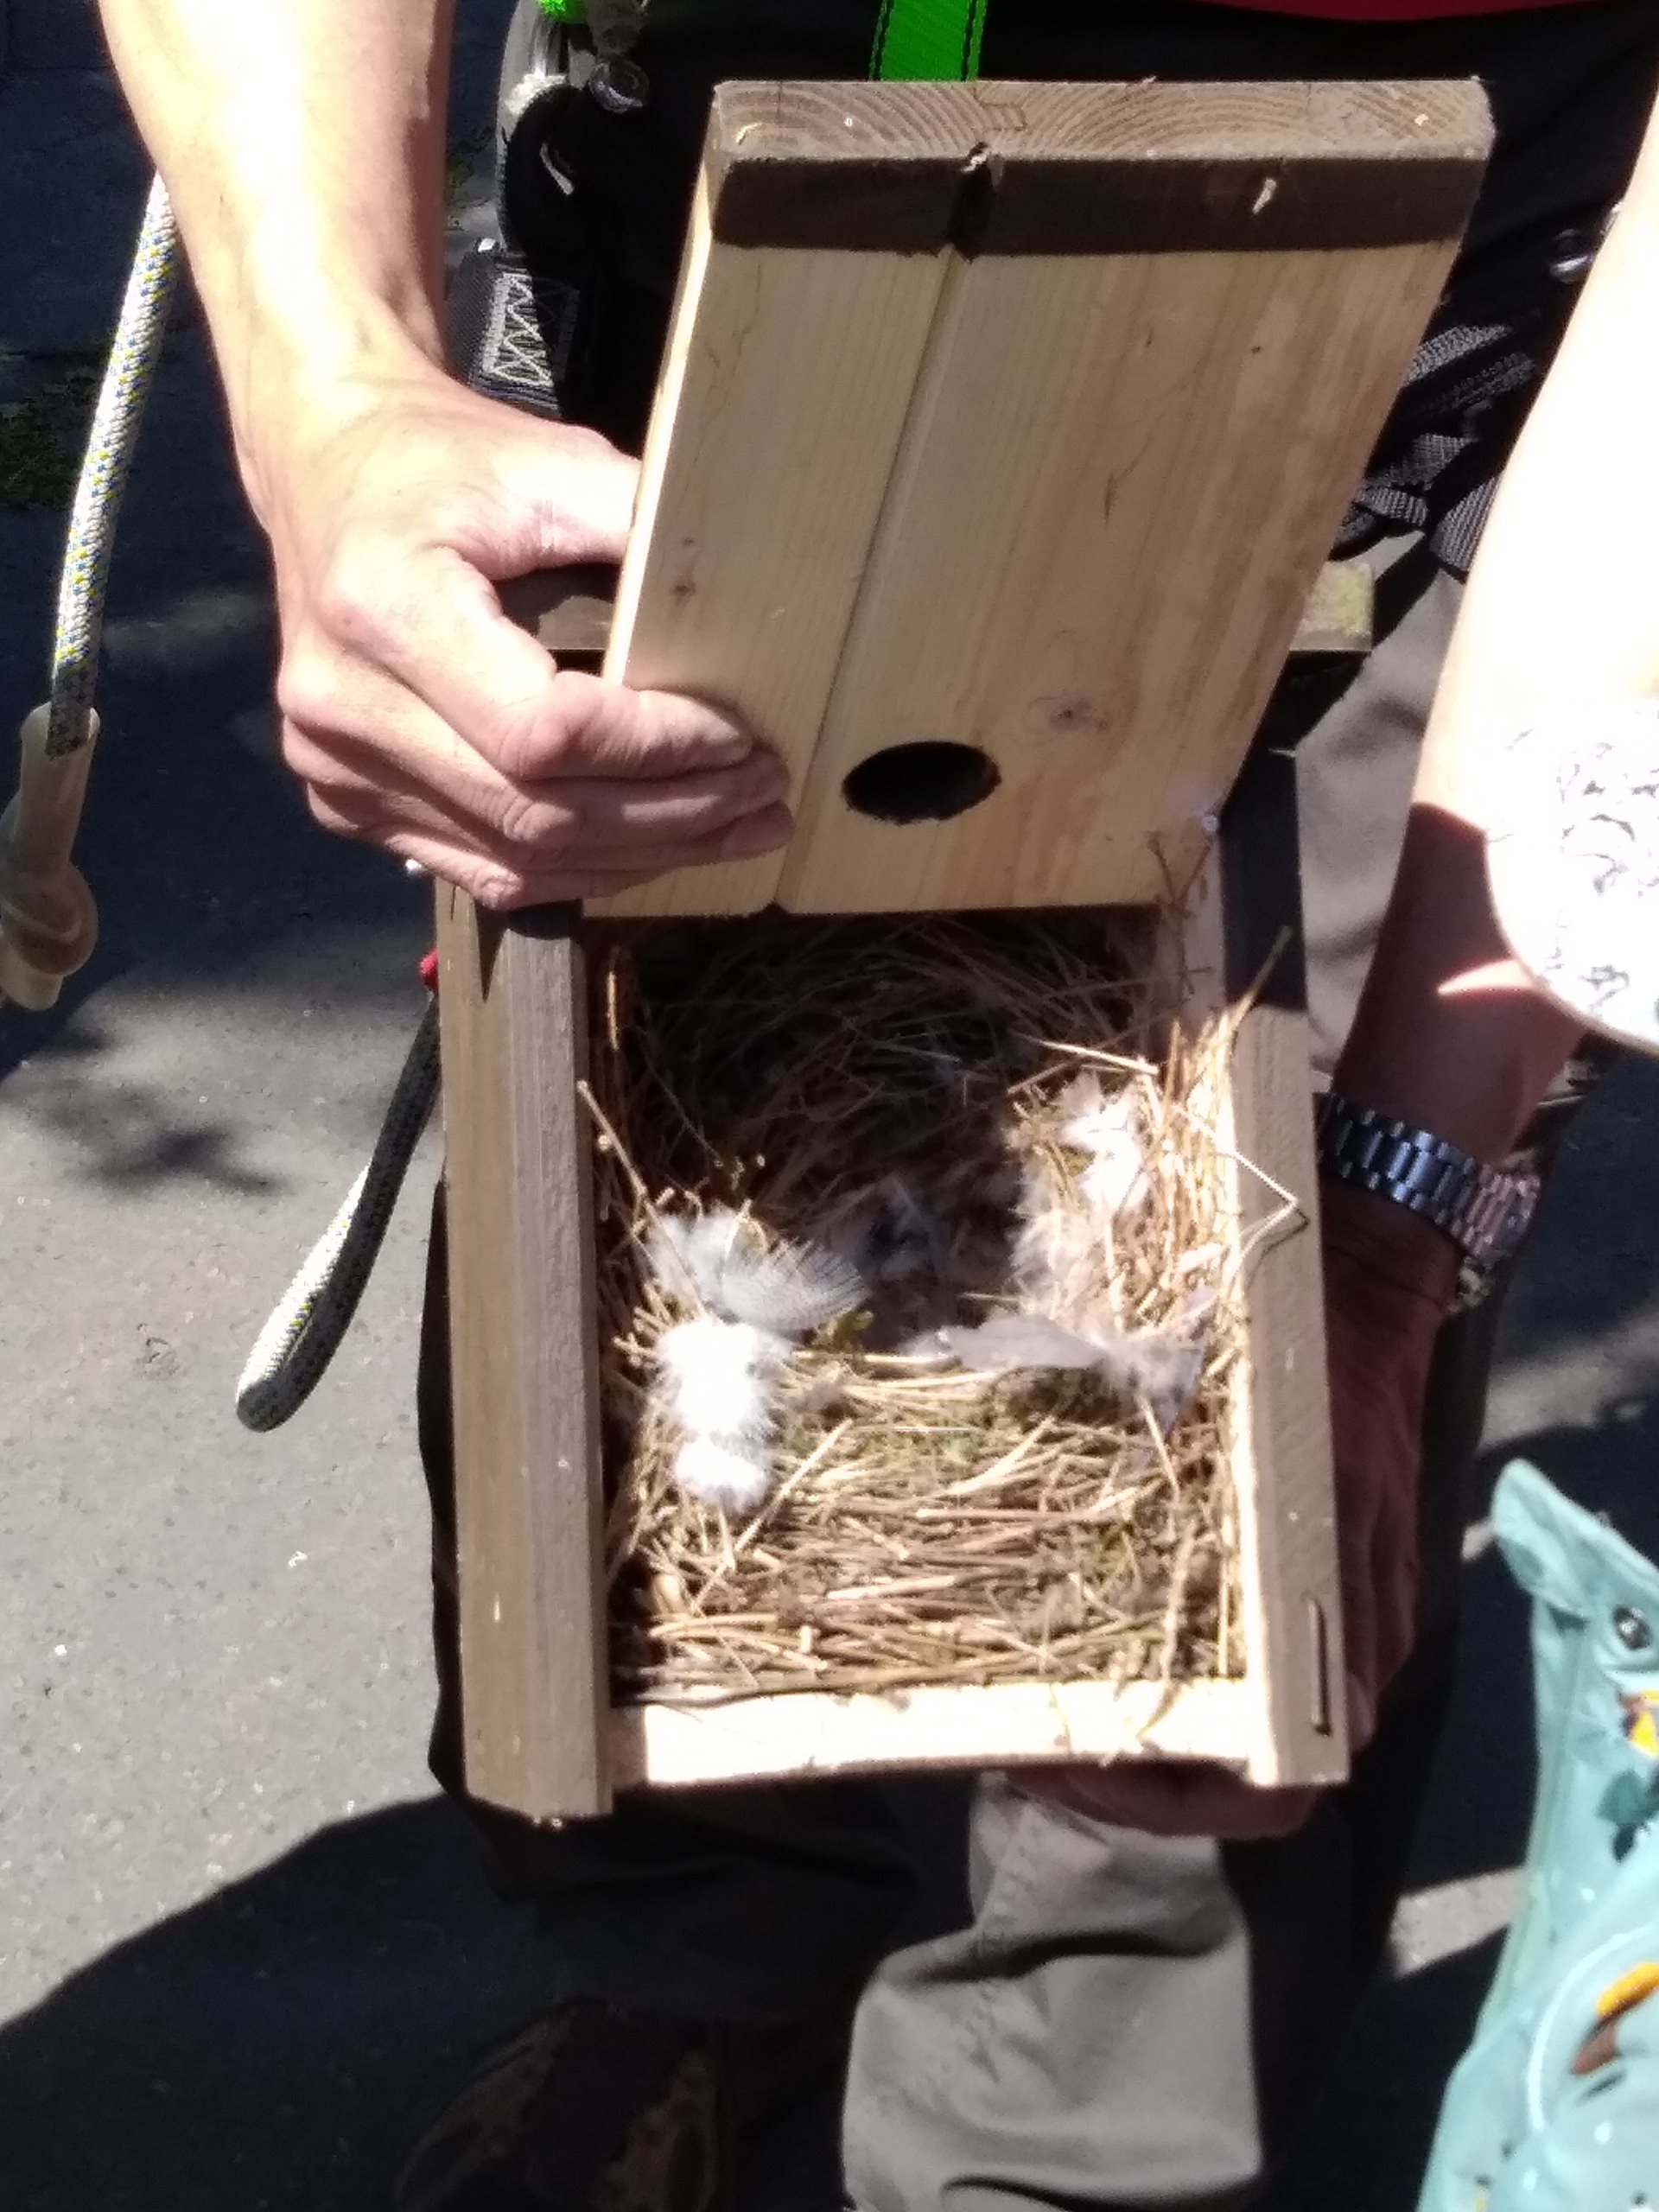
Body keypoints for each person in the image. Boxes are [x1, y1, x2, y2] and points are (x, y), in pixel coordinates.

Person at [92, 0, 1659, 2205]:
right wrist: (335, 387)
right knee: (623, 1307)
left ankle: (1061, 2148)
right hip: (741, 301)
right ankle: (707, 1971)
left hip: (1439, 391)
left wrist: (1400, 1227)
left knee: (1225, 1519)